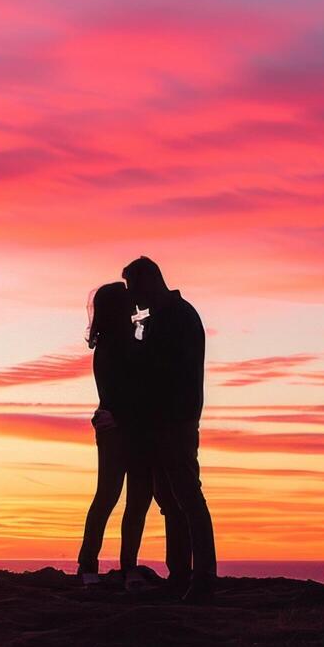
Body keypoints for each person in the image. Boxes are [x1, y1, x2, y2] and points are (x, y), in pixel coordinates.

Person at [123, 256, 218, 604]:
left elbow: (157, 368)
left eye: (134, 289)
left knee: (187, 496)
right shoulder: (167, 317)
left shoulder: (175, 317)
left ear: (149, 282)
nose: (133, 299)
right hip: (166, 419)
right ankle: (181, 574)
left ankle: (203, 577)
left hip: (174, 419)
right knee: (171, 499)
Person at [74, 281, 154, 591]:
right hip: (119, 429)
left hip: (131, 428)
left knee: (134, 497)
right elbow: (120, 392)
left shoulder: (124, 343)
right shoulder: (111, 347)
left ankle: (123, 566)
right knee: (110, 495)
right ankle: (91, 563)